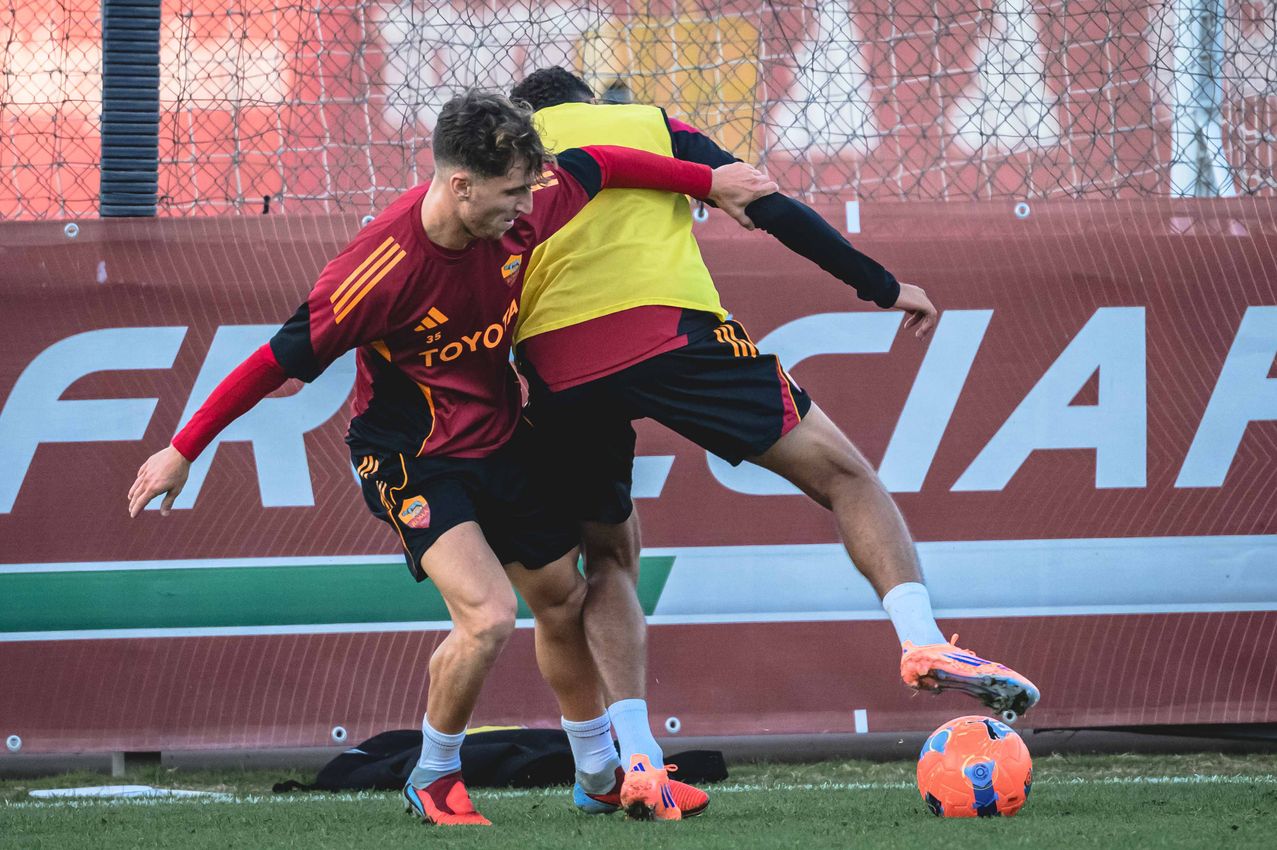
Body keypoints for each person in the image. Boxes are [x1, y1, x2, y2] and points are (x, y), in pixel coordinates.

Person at [126, 89, 775, 825]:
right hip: (411, 459)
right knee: (490, 615)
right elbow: (272, 361)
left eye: (529, 190)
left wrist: (708, 181)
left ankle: (597, 774)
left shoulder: (528, 201)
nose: (524, 211)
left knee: (562, 599)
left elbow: (602, 164)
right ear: (459, 184)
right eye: (508, 195)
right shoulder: (377, 269)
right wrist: (183, 449)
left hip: (501, 440)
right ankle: (433, 776)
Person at [507, 67, 1042, 818]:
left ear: (523, 113)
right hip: (673, 334)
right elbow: (765, 204)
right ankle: (920, 638)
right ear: (590, 104)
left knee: (606, 559)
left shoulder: (511, 157)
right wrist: (880, 286)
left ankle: (634, 758)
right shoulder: (645, 125)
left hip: (558, 368)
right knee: (845, 479)